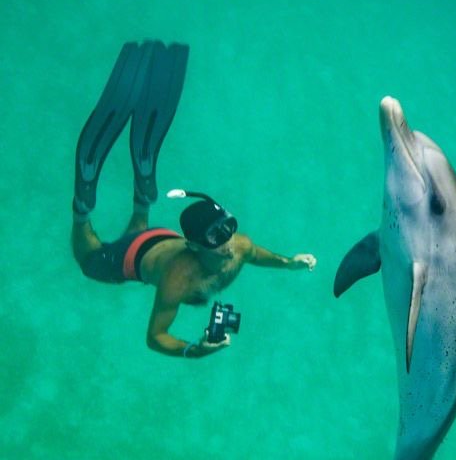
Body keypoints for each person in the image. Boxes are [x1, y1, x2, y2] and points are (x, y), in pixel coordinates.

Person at [71, 40, 316, 358]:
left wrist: (288, 263)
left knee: (141, 233)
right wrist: (194, 350)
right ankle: (82, 208)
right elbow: (156, 336)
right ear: (196, 245)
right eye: (216, 238)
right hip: (134, 256)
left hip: (162, 242)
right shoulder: (177, 280)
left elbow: (256, 254)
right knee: (88, 263)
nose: (228, 243)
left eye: (227, 229)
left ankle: (143, 197)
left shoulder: (238, 247)